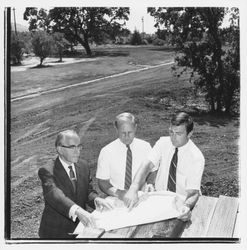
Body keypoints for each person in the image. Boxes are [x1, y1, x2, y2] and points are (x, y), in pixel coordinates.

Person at [123, 112, 205, 221]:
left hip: (181, 202)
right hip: (159, 199)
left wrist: (186, 207)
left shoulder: (196, 157)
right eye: (171, 132)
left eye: (178, 134)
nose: (173, 137)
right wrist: (133, 188)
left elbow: (193, 193)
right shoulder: (163, 142)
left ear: (190, 134)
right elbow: (147, 164)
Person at [38, 130, 113, 239]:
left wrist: (97, 200)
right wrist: (77, 211)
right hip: (55, 233)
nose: (77, 151)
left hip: (80, 228)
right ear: (60, 149)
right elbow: (55, 195)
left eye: (79, 147)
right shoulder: (47, 170)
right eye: (72, 147)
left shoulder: (83, 165)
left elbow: (87, 191)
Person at [96, 112, 155, 201]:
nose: (127, 136)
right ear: (116, 129)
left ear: (135, 128)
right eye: (123, 133)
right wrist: (119, 193)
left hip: (141, 197)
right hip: (117, 198)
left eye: (130, 132)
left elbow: (152, 171)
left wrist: (150, 183)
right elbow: (103, 182)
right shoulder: (107, 151)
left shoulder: (146, 147)